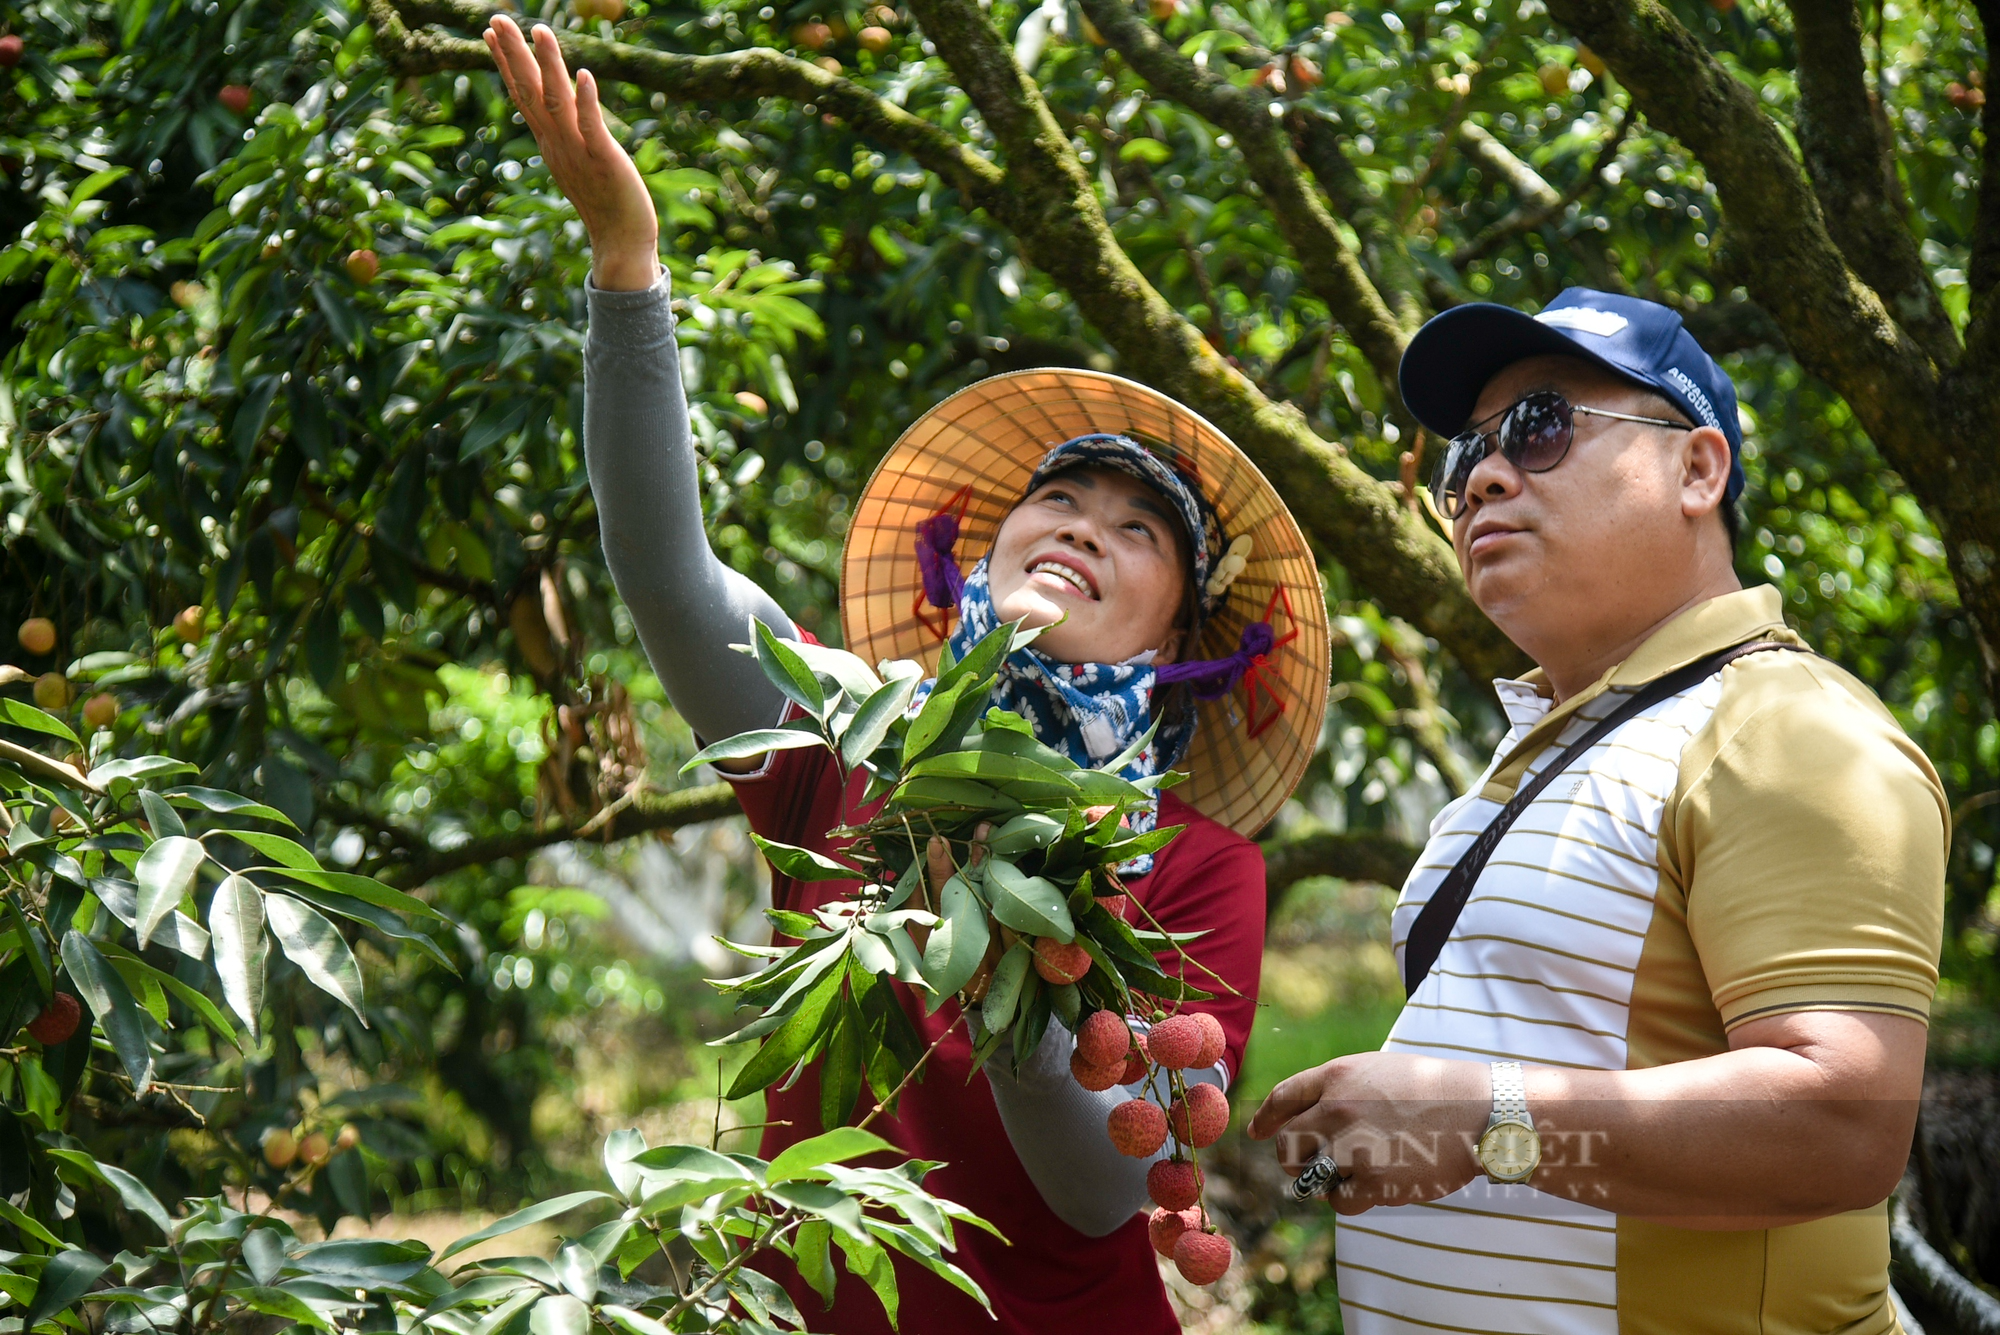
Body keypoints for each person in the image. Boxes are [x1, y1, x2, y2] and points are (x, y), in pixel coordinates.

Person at [480, 18, 1333, 1331]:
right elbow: (663, 568)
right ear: (984, 553)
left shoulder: (1202, 864)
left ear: (1173, 640)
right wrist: (625, 264)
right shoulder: (850, 733)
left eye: (1138, 528)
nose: (1083, 527)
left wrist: (1013, 916)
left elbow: (1103, 1188)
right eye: (1057, 499)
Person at [1249, 287, 1947, 1333]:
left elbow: (1845, 1123)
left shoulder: (1783, 729)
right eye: (1460, 460)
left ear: (1696, 469)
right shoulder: (1537, 756)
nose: (1481, 475)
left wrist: (1487, 1120)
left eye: (1539, 426)